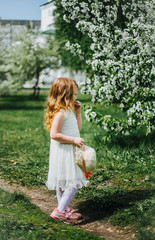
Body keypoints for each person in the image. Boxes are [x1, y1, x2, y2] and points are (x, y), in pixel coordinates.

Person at [45, 77, 89, 223]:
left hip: (69, 150)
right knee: (74, 182)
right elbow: (54, 134)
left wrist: (78, 113)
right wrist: (74, 140)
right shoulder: (60, 114)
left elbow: (77, 129)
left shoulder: (68, 111)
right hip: (64, 152)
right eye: (75, 94)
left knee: (63, 182)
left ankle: (63, 208)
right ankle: (60, 211)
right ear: (66, 95)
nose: (77, 96)